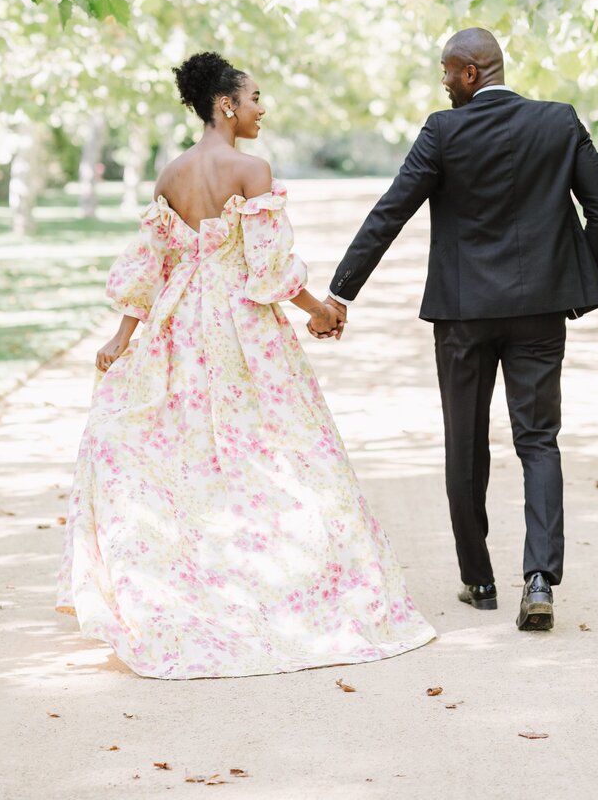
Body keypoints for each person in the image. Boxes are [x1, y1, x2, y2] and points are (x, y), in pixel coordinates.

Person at [56, 52, 435, 679]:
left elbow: (157, 265)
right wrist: (322, 310)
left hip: (181, 324)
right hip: (239, 325)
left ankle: (204, 580)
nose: (263, 108)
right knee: (281, 447)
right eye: (255, 98)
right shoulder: (251, 169)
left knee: (190, 454)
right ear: (225, 105)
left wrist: (124, 337)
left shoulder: (170, 174)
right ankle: (286, 583)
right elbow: (269, 270)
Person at [322, 28, 598, 632]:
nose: (441, 81)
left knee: (465, 441)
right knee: (538, 439)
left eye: (444, 70)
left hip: (462, 315)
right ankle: (539, 579)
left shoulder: (443, 130)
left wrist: (339, 291)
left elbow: (392, 210)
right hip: (539, 312)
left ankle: (478, 578)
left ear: (467, 72)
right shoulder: (559, 121)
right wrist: (573, 283)